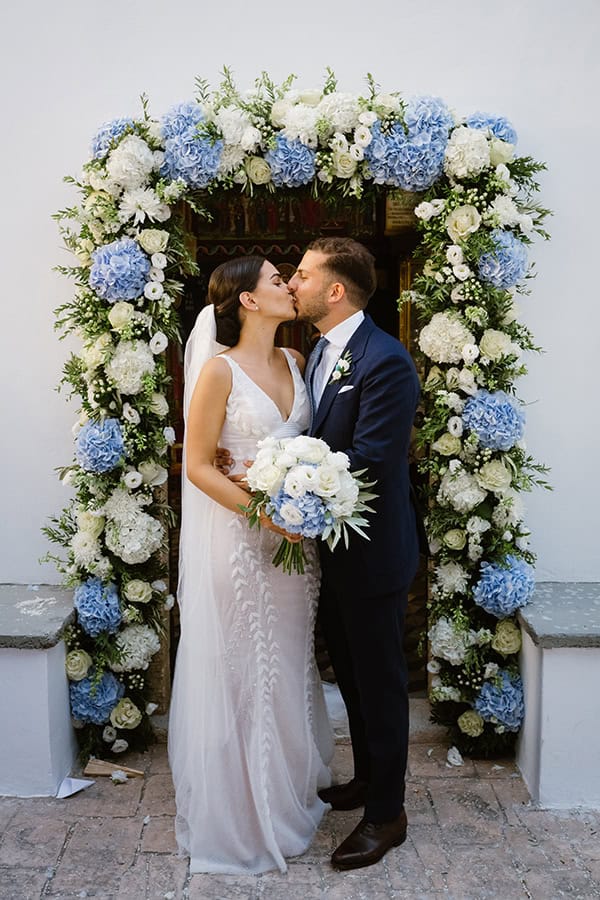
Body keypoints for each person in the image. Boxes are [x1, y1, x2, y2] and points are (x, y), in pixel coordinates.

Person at [168, 256, 333, 875]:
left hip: (297, 551)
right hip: (240, 544)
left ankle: (287, 787)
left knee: (288, 662)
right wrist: (265, 511)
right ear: (247, 302)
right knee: (242, 666)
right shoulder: (218, 372)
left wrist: (314, 493)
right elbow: (200, 465)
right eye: (275, 280)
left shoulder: (297, 362)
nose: (289, 285)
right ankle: (239, 808)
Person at [287, 237, 421, 871]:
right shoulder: (320, 352)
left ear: (335, 290)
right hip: (332, 553)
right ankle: (367, 778)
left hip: (370, 553)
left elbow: (367, 462)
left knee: (382, 684)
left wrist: (285, 492)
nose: (294, 282)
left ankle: (387, 814)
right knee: (353, 678)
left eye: (304, 275)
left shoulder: (384, 360)